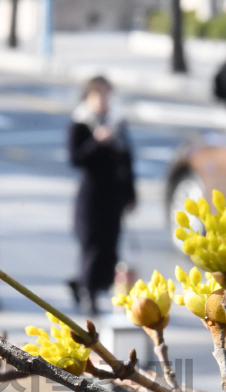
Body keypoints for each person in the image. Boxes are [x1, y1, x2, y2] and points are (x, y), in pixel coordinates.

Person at [68, 76, 136, 316]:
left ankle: (83, 286)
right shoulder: (81, 123)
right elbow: (76, 158)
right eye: (98, 95)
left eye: (107, 94)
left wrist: (130, 193)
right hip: (90, 196)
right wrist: (97, 142)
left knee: (109, 247)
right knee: (92, 246)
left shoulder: (117, 123)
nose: (103, 100)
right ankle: (88, 293)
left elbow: (127, 161)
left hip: (113, 195)